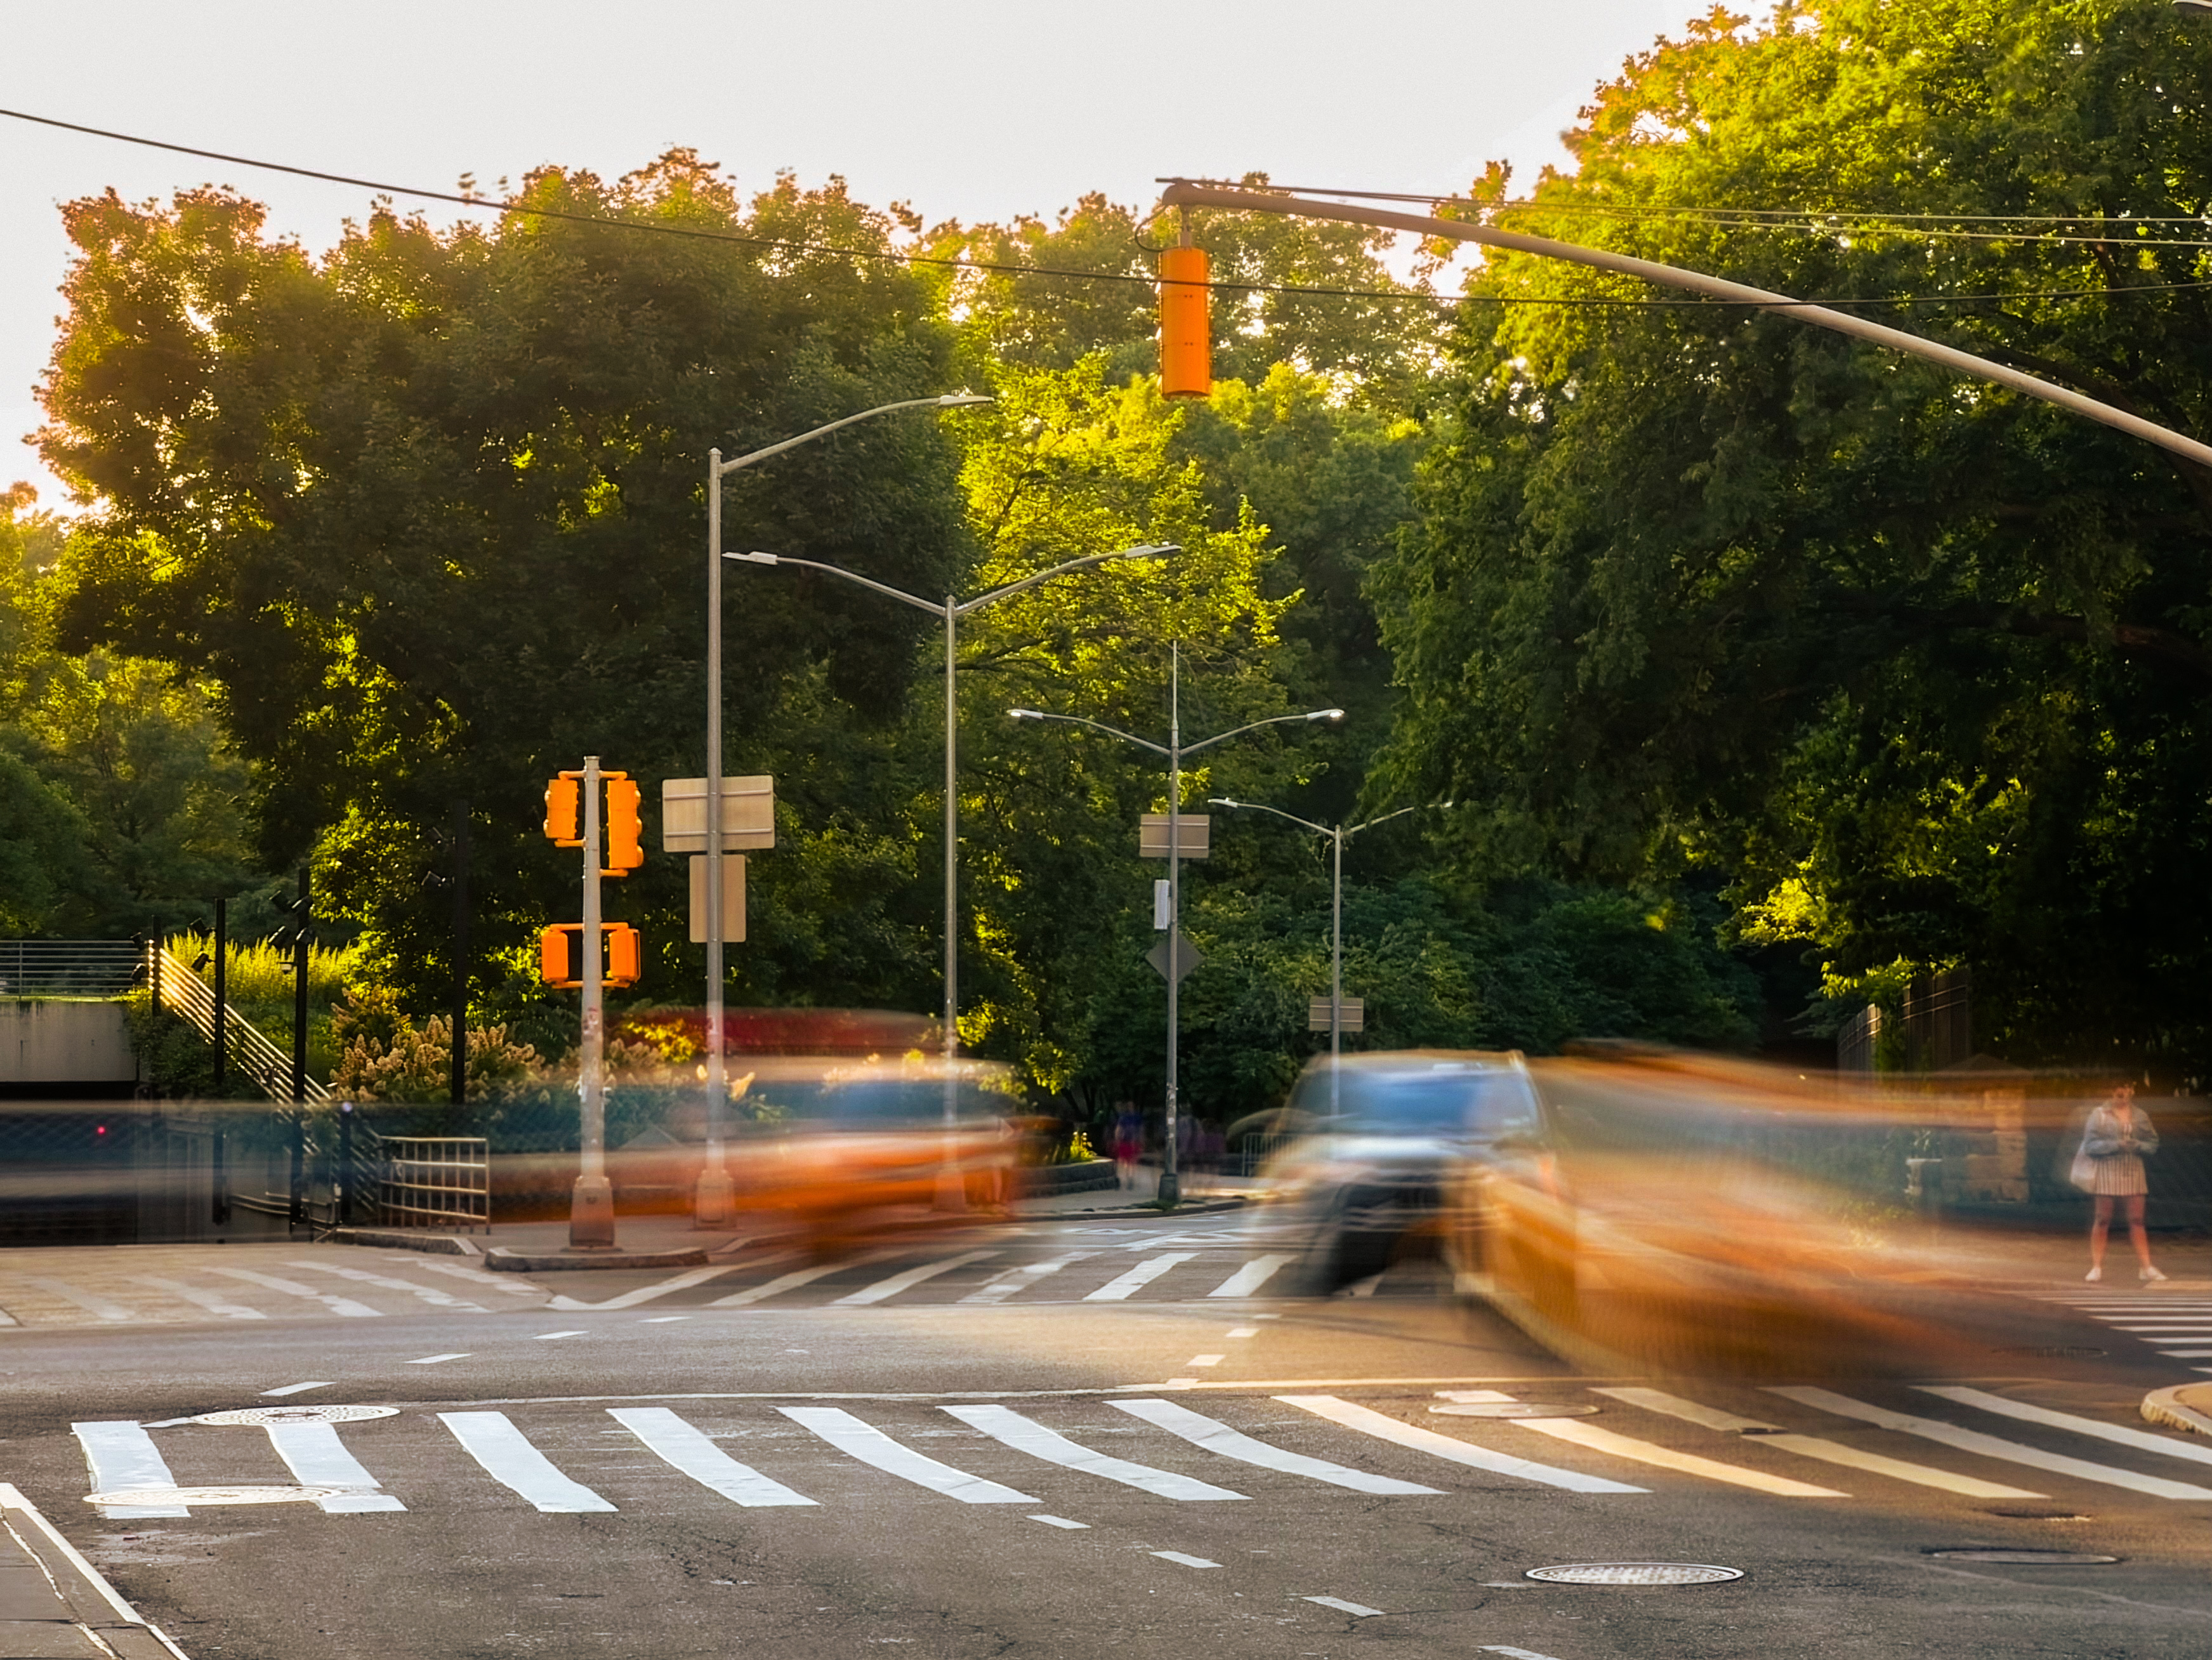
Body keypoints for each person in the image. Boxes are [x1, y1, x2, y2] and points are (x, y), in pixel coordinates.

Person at [2083, 1083, 2164, 1283]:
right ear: (2111, 1092)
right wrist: (2115, 1145)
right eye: (2117, 1091)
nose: (2122, 1095)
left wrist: (2137, 1145)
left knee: (2137, 1220)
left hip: (2133, 1169)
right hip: (2107, 1169)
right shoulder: (2099, 1114)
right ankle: (2096, 1267)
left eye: (2126, 1090)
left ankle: (2146, 1267)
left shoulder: (2140, 1115)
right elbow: (2090, 1145)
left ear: (2131, 1091)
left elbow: (2153, 1144)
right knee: (2102, 1219)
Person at [1112, 1102, 1143, 1192]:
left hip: (1133, 1141)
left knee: (1132, 1162)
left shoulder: (1137, 1118)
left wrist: (1141, 1140)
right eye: (1129, 1106)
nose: (1130, 1107)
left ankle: (1130, 1178)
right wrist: (1117, 1139)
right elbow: (1119, 1129)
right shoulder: (1124, 1118)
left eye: (1131, 1105)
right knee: (1123, 1161)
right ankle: (1123, 1178)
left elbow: (1141, 1130)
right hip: (1125, 1141)